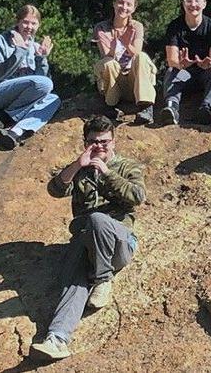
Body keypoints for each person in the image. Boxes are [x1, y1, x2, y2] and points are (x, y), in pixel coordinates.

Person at [30, 115, 145, 361]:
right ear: (85, 142)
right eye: (94, 142)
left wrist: (105, 172)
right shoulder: (80, 170)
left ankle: (103, 279)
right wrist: (76, 165)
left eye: (104, 141)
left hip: (119, 242)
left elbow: (137, 196)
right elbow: (55, 189)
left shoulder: (127, 166)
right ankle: (57, 338)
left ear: (114, 141)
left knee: (97, 220)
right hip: (86, 243)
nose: (99, 146)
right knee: (75, 280)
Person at [0, 4, 61, 150]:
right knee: (45, 84)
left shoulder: (35, 46)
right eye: (25, 22)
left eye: (34, 23)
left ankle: (15, 131)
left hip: (20, 100)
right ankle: (6, 115)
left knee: (53, 99)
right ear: (17, 21)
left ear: (39, 25)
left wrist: (41, 58)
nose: (29, 27)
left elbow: (42, 87)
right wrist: (19, 51)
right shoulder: (1, 41)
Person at [161, 0, 211, 126]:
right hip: (183, 73)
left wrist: (209, 62)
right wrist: (181, 64)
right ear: (183, 3)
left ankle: (206, 109)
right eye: (189, 0)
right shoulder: (174, 27)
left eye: (197, 1)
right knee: (171, 71)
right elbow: (171, 59)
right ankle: (172, 107)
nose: (193, 5)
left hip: (204, 73)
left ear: (204, 4)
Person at [92, 0, 157, 124]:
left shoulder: (136, 27)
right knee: (108, 63)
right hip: (116, 81)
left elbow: (136, 52)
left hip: (134, 80)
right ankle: (111, 104)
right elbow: (106, 55)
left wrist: (127, 44)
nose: (124, 7)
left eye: (129, 4)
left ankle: (146, 105)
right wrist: (114, 45)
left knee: (142, 57)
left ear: (134, 8)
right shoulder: (102, 28)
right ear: (114, 4)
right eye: (121, 3)